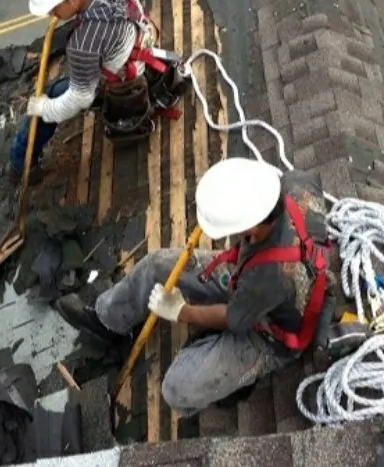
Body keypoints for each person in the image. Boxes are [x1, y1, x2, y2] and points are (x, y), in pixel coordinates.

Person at [55, 157, 334, 416]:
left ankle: (233, 375)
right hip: (251, 278)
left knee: (177, 389)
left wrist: (181, 311)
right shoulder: (293, 184)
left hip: (270, 334)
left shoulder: (270, 276)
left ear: (254, 225)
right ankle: (107, 320)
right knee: (157, 265)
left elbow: (234, 319)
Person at [5, 0, 168, 185]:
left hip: (123, 81)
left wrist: (44, 108)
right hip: (142, 48)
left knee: (50, 98)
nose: (52, 15)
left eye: (53, 9)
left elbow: (80, 98)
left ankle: (20, 164)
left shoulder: (83, 45)